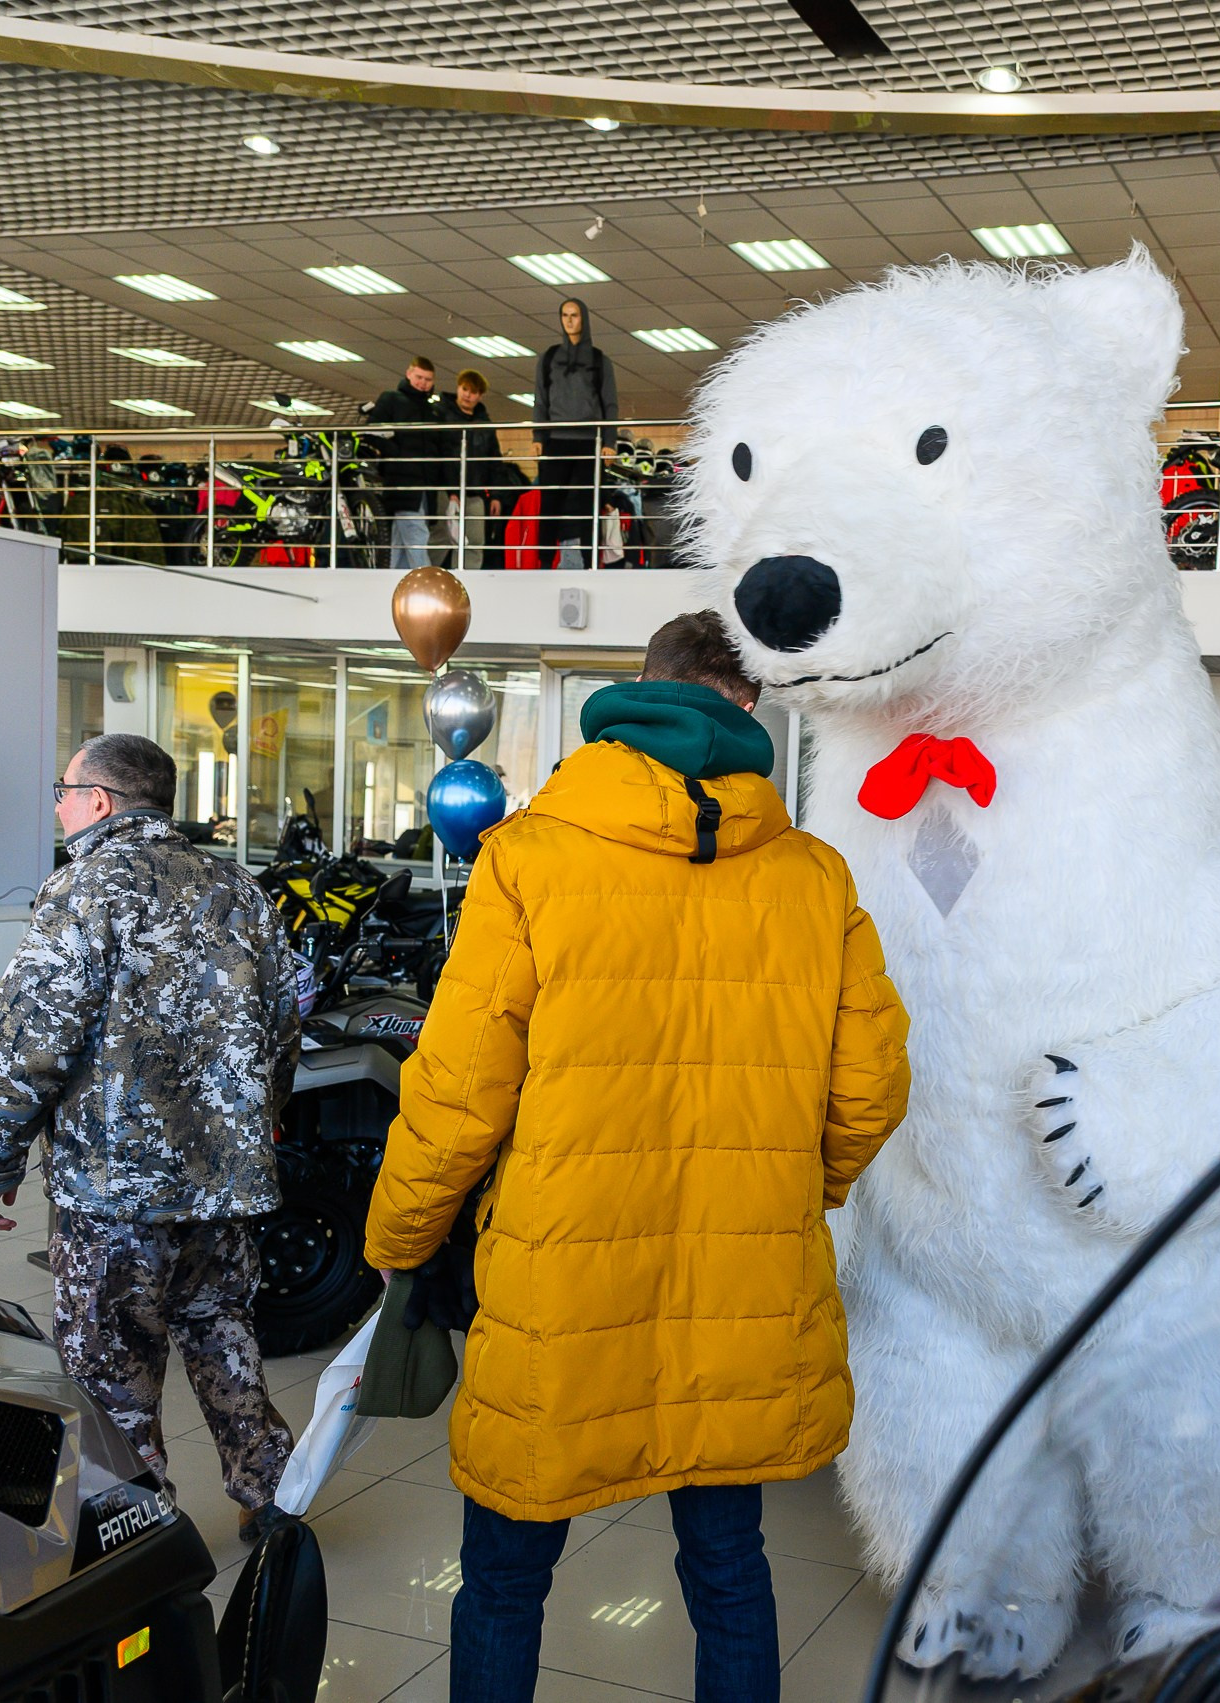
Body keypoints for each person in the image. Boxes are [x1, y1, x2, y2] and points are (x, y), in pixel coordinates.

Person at [365, 610, 909, 1703]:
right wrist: (795, 1185)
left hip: (559, 1277)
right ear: (745, 707)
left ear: (638, 694)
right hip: (742, 1277)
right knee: (728, 1562)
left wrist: (401, 1233)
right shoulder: (813, 875)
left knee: (507, 1574)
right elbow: (871, 1085)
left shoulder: (526, 859)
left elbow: (459, 1088)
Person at [0, 733, 301, 1537]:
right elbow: (284, 1021)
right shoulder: (240, 888)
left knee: (110, 1361)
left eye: (65, 788)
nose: (59, 803)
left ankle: (140, 1523)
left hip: (113, 1188)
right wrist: (254, 1127)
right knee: (224, 1332)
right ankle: (271, 1497)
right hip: (224, 1182)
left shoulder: (84, 886)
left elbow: (32, 1037)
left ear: (102, 801)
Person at [531, 297, 617, 568]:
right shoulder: (548, 359)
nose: (569, 320)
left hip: (589, 441)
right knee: (550, 503)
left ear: (584, 319)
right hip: (556, 440)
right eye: (565, 315)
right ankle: (543, 562)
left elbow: (610, 404)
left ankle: (590, 561)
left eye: (575, 315)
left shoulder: (600, 360)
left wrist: (610, 442)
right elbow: (540, 400)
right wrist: (537, 437)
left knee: (588, 506)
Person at [363, 356, 444, 570]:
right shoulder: (391, 399)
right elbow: (371, 432)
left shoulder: (432, 410)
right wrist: (395, 454)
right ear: (408, 374)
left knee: (401, 542)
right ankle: (427, 582)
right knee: (416, 536)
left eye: (427, 379)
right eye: (419, 377)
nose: (423, 383)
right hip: (403, 482)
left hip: (423, 486)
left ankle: (393, 585)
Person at [428, 368, 507, 569]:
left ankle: (466, 584)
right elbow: (439, 456)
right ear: (458, 388)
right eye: (464, 389)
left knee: (474, 541)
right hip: (445, 491)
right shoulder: (440, 415)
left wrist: (496, 495)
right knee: (441, 538)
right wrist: (451, 490)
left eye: (473, 392)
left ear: (480, 395)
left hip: (474, 492)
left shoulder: (485, 424)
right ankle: (428, 576)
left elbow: (494, 461)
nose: (467, 395)